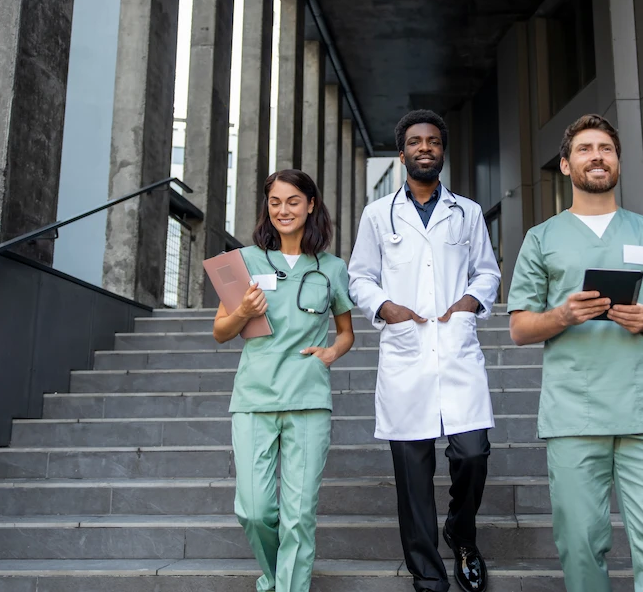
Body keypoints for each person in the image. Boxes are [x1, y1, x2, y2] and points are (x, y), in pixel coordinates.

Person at [506, 114, 643, 592]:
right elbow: (520, 329)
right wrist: (562, 316)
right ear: (566, 166)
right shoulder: (541, 239)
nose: (597, 156)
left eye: (606, 149)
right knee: (580, 543)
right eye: (586, 149)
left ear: (618, 162)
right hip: (575, 414)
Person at [348, 109, 501, 592]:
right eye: (416, 141)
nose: (425, 148)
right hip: (406, 354)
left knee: (473, 454)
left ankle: (461, 530)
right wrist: (385, 307)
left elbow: (488, 272)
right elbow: (359, 277)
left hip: (455, 349)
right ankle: (428, 576)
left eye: (433, 141)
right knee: (413, 479)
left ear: (442, 150)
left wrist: (470, 301)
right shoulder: (378, 214)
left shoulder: (468, 212)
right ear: (403, 153)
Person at [212, 169, 355, 592]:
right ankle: (276, 578)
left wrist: (332, 351)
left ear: (311, 204)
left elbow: (346, 331)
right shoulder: (243, 262)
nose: (283, 210)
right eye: (275, 202)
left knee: (299, 514)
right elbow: (221, 331)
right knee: (254, 509)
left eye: (293, 201)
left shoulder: (331, 268)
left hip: (308, 397)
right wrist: (242, 311)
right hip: (254, 398)